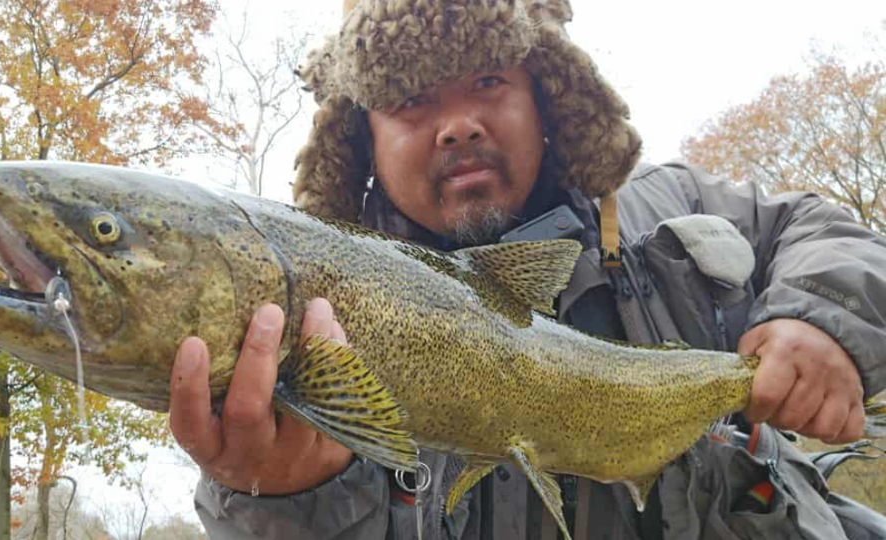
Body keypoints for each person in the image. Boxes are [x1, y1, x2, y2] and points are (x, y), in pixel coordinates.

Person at [167, 0, 886, 538]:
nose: (458, 125)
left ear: (547, 98)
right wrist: (286, 503)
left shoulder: (673, 207)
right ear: (361, 140)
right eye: (412, 99)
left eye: (488, 78)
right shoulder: (298, 323)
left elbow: (824, 230)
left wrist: (819, 320)